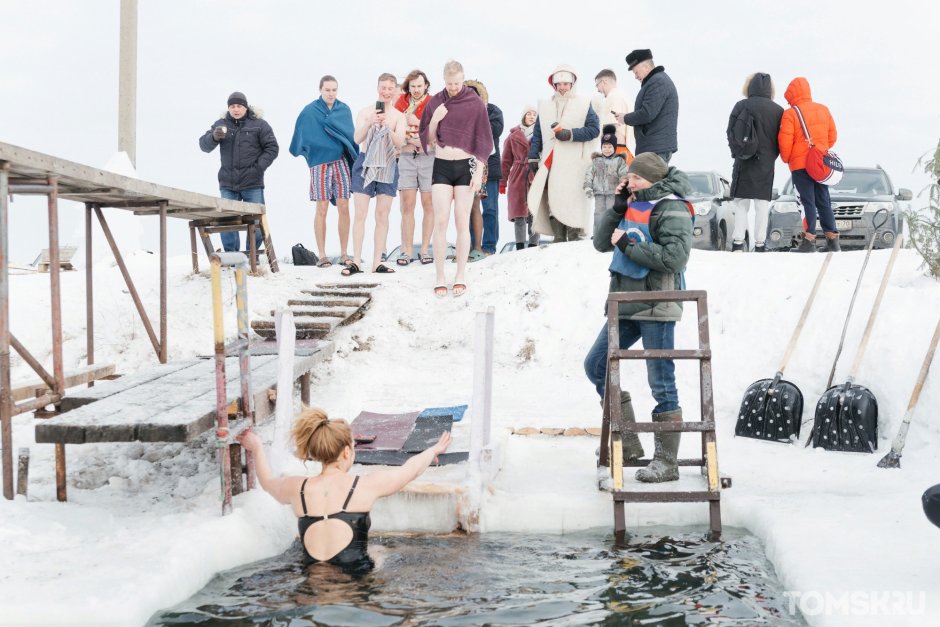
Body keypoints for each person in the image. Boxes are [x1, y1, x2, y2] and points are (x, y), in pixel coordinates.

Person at [585, 152, 693, 487]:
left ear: (650, 179)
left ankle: (666, 461)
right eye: (628, 178)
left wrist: (630, 245)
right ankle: (629, 443)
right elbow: (601, 243)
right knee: (596, 364)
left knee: (661, 381)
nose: (628, 182)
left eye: (633, 178)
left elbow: (675, 258)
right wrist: (617, 206)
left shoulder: (671, 207)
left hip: (656, 304)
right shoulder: (633, 204)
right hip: (625, 304)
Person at [236, 407, 451, 572]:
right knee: (379, 552)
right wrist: (433, 450)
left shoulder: (297, 487)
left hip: (312, 582)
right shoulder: (363, 486)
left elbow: (267, 482)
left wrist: (256, 446)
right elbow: (409, 470)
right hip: (355, 584)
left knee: (374, 552)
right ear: (347, 452)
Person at [419, 60, 493, 297]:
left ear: (463, 79)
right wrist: (435, 119)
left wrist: (479, 172)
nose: (453, 87)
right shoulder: (436, 101)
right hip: (441, 164)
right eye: (449, 84)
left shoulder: (474, 103)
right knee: (441, 220)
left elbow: (484, 139)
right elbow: (428, 138)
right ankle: (440, 276)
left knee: (462, 220)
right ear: (444, 80)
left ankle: (460, 274)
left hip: (465, 165)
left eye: (457, 83)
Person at [289, 76, 359, 267]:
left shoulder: (343, 109)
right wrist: (311, 153)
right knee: (322, 207)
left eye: (334, 90)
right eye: (327, 90)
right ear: (320, 90)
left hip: (340, 161)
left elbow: (349, 136)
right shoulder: (310, 110)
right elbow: (301, 134)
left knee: (344, 206)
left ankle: (345, 254)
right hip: (319, 164)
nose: (331, 93)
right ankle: (322, 255)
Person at [527, 64, 600, 243]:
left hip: (575, 161)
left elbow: (594, 129)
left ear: (572, 83)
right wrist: (533, 155)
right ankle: (558, 236)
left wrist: (570, 134)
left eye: (566, 84)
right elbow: (538, 133)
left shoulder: (584, 103)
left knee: (573, 197)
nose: (562, 87)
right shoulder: (544, 106)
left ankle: (574, 236)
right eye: (559, 84)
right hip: (551, 160)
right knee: (553, 196)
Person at [343, 73, 407, 276]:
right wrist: (370, 122)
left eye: (390, 88)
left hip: (388, 163)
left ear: (395, 90)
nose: (386, 92)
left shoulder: (398, 116)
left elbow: (400, 143)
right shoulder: (365, 111)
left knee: (382, 214)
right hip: (366, 162)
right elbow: (357, 137)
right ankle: (355, 261)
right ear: (378, 88)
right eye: (383, 87)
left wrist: (389, 128)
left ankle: (377, 261)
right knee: (360, 213)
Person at [199, 91, 279, 252]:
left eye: (239, 106)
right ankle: (231, 257)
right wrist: (214, 137)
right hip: (228, 184)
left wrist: (258, 169)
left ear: (246, 107)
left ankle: (252, 256)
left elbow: (272, 148)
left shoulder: (259, 124)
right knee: (227, 222)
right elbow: (204, 146)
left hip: (252, 182)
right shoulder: (221, 124)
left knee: (256, 223)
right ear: (228, 108)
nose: (236, 109)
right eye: (232, 106)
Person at [778, 76, 840, 252]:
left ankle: (809, 241)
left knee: (807, 202)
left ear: (791, 95)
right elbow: (832, 136)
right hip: (820, 165)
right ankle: (832, 241)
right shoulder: (823, 109)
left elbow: (785, 141)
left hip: (801, 166)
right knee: (824, 200)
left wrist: (788, 158)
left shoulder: (791, 113)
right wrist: (820, 149)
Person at [725, 73, 784, 252]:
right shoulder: (778, 110)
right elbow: (781, 139)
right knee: (762, 205)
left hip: (744, 160)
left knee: (741, 203)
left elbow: (730, 132)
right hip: (765, 163)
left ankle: (737, 243)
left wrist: (737, 152)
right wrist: (772, 155)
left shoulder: (741, 105)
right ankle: (760, 244)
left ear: (749, 86)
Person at [394, 69, 435, 266]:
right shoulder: (401, 103)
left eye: (420, 86)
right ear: (408, 87)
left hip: (429, 156)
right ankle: (406, 250)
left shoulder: (434, 103)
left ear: (426, 85)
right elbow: (394, 130)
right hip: (407, 155)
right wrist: (409, 139)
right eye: (413, 87)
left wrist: (419, 127)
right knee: (407, 205)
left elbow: (439, 131)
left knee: (429, 203)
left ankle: (426, 249)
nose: (417, 90)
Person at [613, 50, 678, 163]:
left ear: (647, 66)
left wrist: (625, 118)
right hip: (654, 147)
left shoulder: (657, 82)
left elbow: (647, 113)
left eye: (636, 72)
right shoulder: (656, 81)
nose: (635, 77)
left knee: (651, 180)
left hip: (655, 149)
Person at [500, 105, 540, 250]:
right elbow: (505, 160)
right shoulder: (513, 136)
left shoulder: (541, 134)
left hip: (535, 174)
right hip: (517, 175)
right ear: (524, 116)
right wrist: (502, 182)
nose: (531, 116)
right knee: (519, 213)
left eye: (534, 114)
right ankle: (520, 246)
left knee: (535, 211)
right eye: (528, 114)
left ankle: (534, 244)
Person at [584, 125, 628, 228]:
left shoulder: (619, 160)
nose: (607, 149)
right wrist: (588, 187)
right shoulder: (596, 161)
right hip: (599, 192)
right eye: (604, 147)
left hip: (613, 192)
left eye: (609, 147)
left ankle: (610, 231)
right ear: (601, 147)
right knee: (599, 213)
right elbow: (589, 173)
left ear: (615, 147)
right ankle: (598, 232)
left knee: (610, 212)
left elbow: (624, 173)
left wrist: (623, 183)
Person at [592, 69, 634, 159]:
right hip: (624, 149)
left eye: (597, 85)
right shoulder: (623, 96)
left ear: (604, 82)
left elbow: (613, 126)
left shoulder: (613, 97)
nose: (597, 90)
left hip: (616, 150)